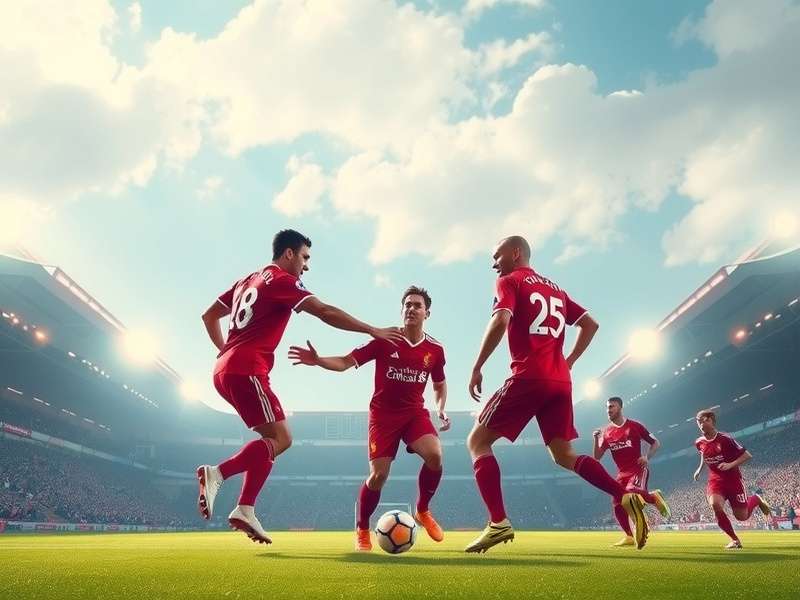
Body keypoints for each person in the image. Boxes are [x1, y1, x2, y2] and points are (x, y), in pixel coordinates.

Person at [196, 229, 402, 544]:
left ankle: (246, 507)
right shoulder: (282, 281)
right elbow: (324, 311)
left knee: (271, 438)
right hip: (247, 368)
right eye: (305, 257)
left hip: (224, 369)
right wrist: (371, 329)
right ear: (289, 254)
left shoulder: (246, 281)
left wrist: (225, 351)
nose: (306, 266)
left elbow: (209, 316)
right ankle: (218, 474)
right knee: (283, 438)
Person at [465, 235, 651, 553]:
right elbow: (590, 324)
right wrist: (570, 362)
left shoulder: (510, 282)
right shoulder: (557, 290)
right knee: (563, 454)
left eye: (496, 256)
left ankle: (498, 522)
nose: (493, 264)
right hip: (560, 383)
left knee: (477, 442)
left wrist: (477, 365)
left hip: (528, 376)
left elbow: (500, 321)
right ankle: (624, 495)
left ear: (516, 252)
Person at [288, 286, 449, 551]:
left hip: (414, 413)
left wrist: (441, 408)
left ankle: (423, 510)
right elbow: (345, 361)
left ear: (427, 313)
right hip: (383, 417)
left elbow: (439, 384)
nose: (411, 308)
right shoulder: (384, 340)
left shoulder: (435, 349)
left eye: (417, 305)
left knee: (435, 455)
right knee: (378, 476)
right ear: (402, 310)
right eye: (407, 304)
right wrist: (318, 360)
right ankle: (362, 528)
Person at [593, 396, 670, 547]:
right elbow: (597, 457)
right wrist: (596, 439)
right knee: (616, 503)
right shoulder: (607, 432)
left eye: (612, 407)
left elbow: (656, 442)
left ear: (620, 408)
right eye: (607, 407)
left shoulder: (635, 426)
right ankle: (629, 536)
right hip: (622, 474)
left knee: (630, 494)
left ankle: (653, 499)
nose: (608, 410)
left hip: (638, 469)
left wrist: (647, 456)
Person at [693, 409, 771, 549]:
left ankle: (756, 499)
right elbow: (703, 455)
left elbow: (747, 455)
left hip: (733, 480)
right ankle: (735, 540)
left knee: (742, 516)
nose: (702, 424)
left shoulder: (725, 439)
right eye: (699, 422)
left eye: (705, 420)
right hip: (715, 480)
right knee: (715, 504)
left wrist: (730, 465)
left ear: (712, 421)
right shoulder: (699, 442)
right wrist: (699, 468)